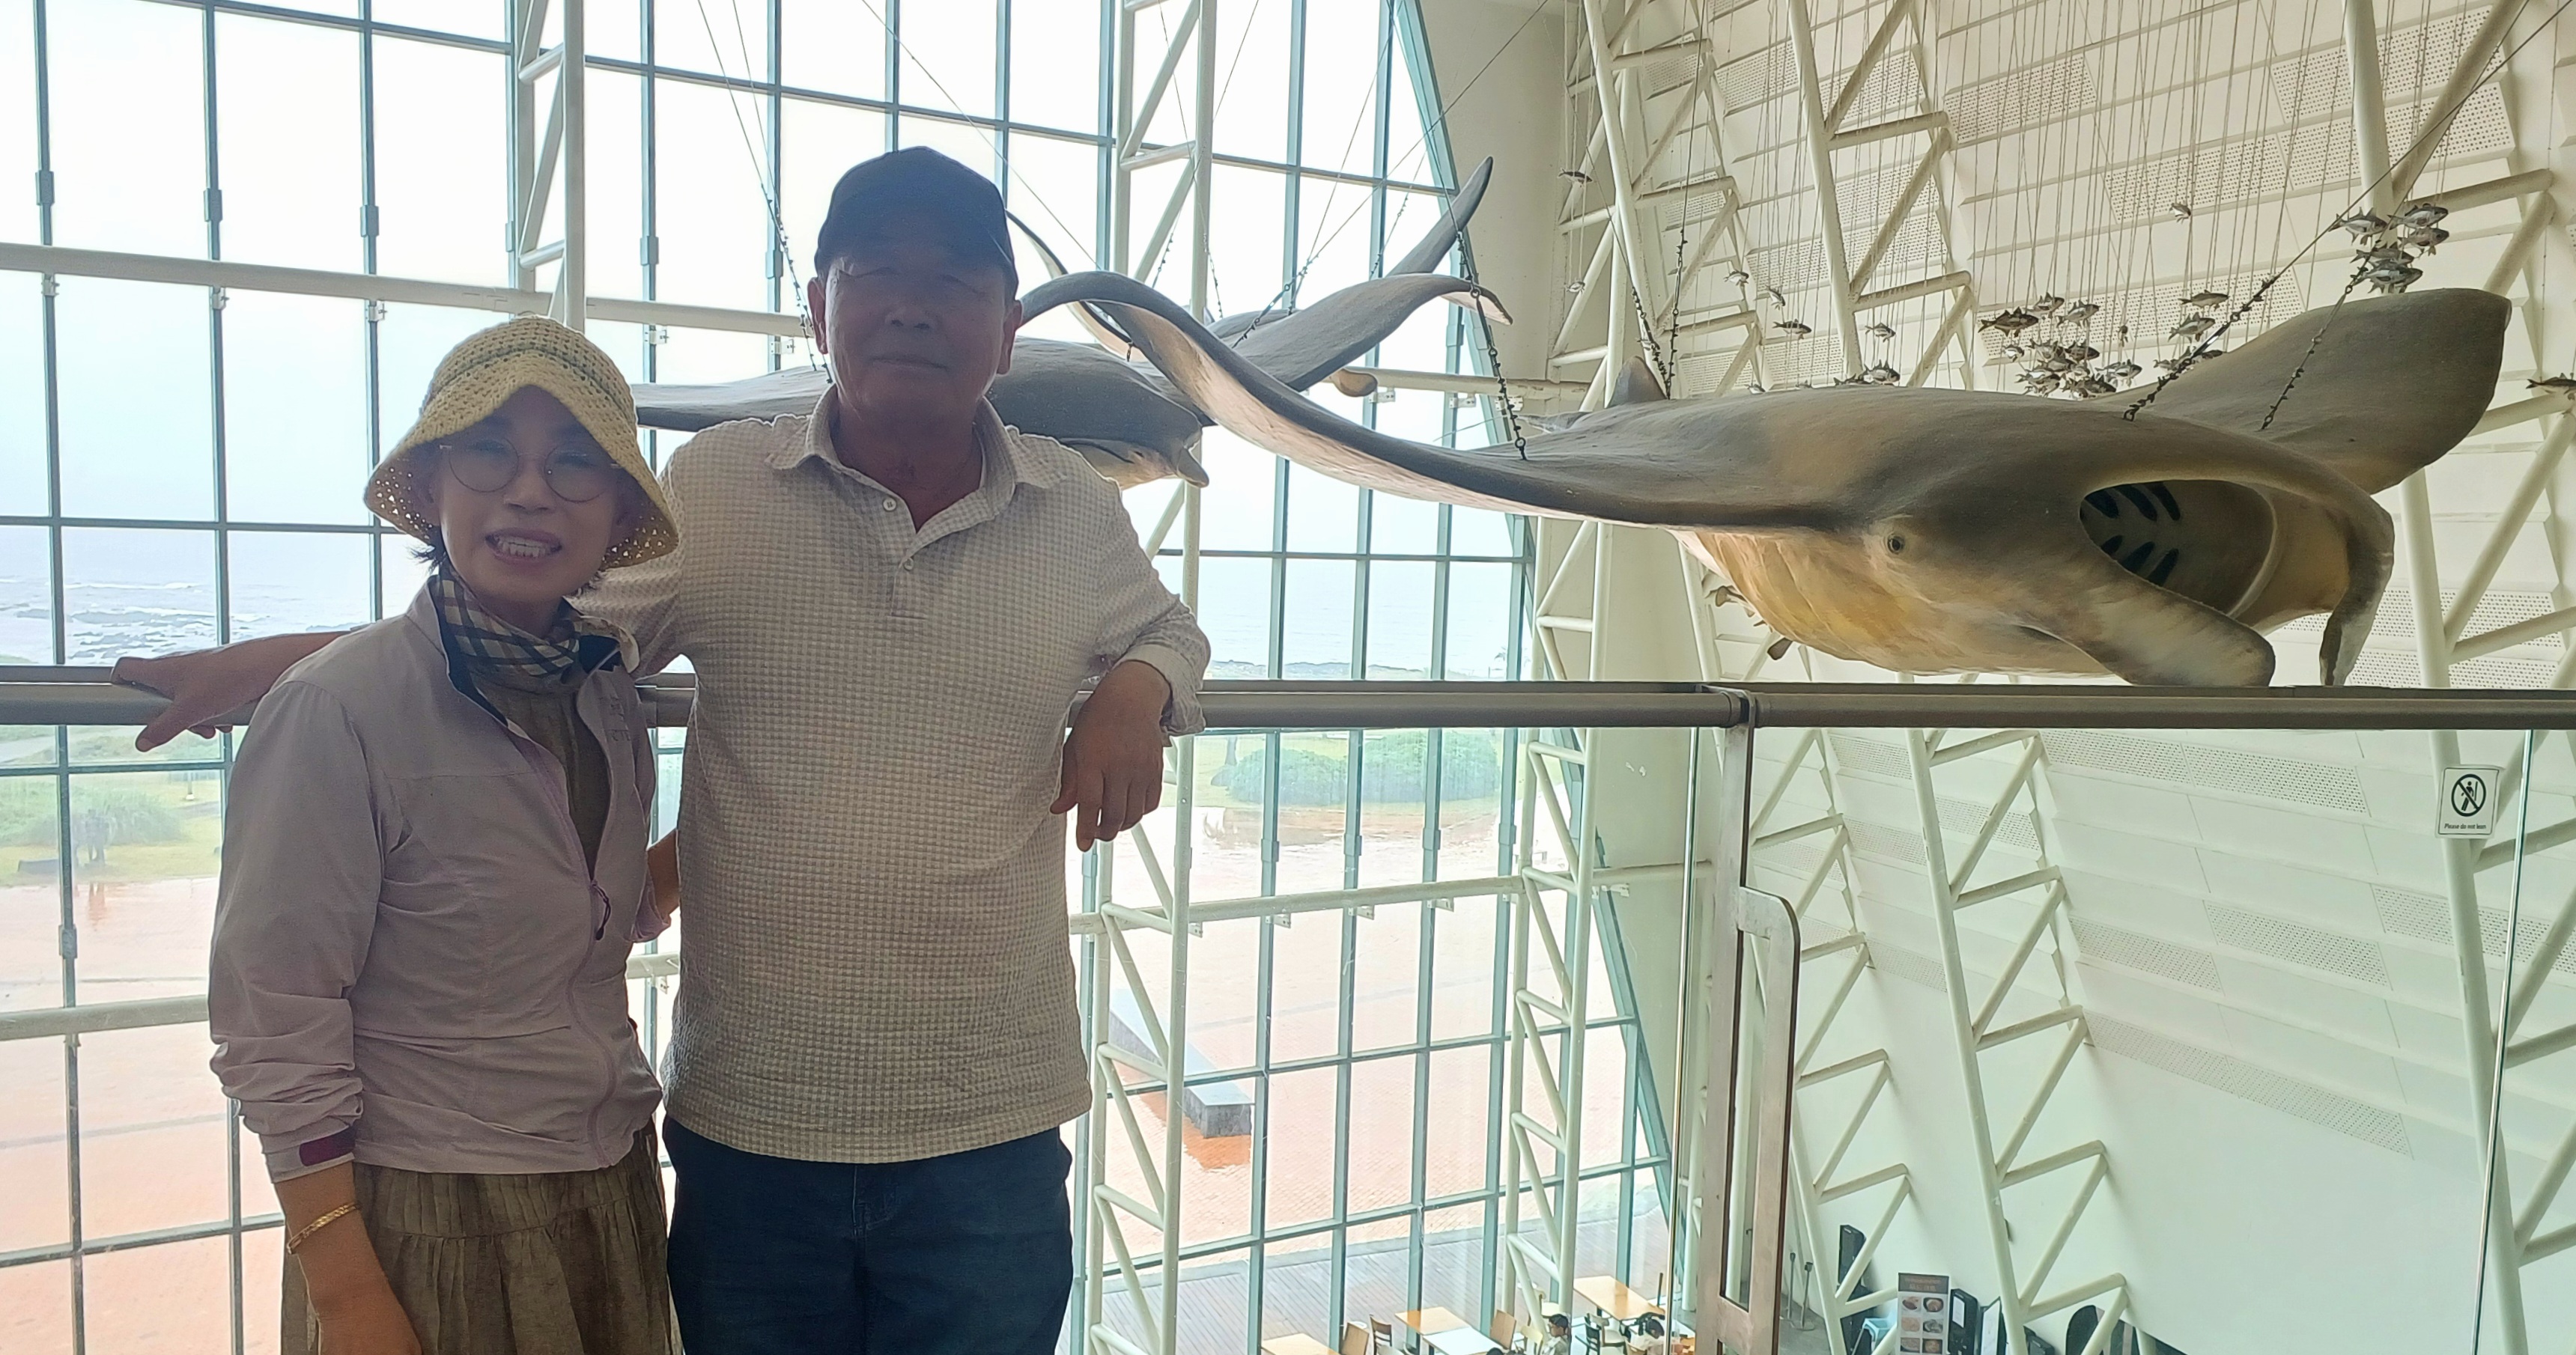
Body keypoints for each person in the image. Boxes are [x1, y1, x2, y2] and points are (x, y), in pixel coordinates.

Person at [126, 147, 1209, 1354]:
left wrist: (1138, 686)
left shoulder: (1074, 510)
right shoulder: (726, 487)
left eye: (954, 280)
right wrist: (276, 664)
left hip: (989, 1126)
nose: (912, 306)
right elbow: (527, 621)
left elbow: (1170, 626)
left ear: (1006, 330)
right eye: (875, 274)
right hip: (754, 1125)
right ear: (819, 309)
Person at [206, 317, 684, 1355]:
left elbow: (592, 921)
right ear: (432, 486)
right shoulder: (338, 708)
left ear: (616, 508)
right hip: (423, 1212)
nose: (530, 492)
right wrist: (347, 1296)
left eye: (573, 463)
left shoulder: (606, 694)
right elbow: (274, 1016)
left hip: (608, 1184)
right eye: (489, 452)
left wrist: (751, 814)